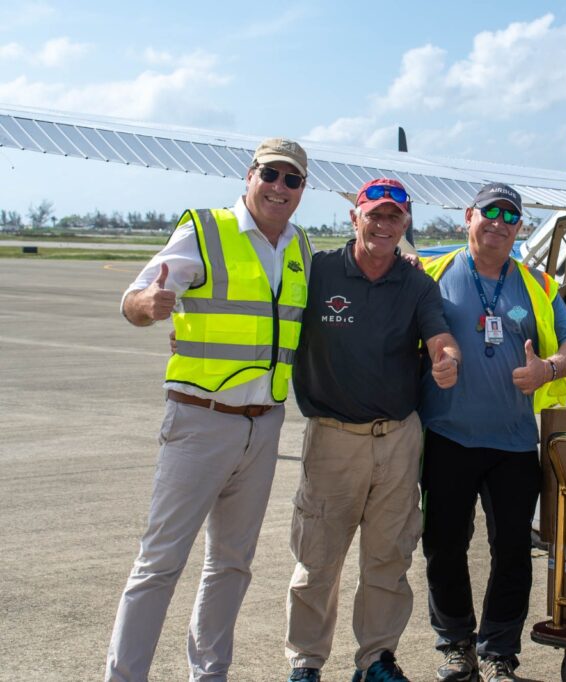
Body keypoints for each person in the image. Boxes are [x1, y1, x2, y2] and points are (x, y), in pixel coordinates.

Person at [107, 138, 312, 681]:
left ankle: (209, 674)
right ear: (250, 176)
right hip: (200, 420)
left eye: (293, 180)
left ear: (302, 191)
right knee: (159, 564)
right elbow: (134, 298)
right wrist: (146, 308)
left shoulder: (300, 248)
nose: (280, 188)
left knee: (231, 565)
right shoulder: (206, 230)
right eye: (271, 174)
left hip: (264, 427)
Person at [285, 177, 460, 682]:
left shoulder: (417, 283)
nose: (383, 225)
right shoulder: (319, 272)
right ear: (354, 217)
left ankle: (376, 659)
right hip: (332, 438)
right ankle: (306, 661)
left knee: (388, 558)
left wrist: (447, 359)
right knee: (317, 559)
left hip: (397, 440)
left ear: (406, 225)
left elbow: (439, 335)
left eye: (394, 218)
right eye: (375, 215)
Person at [419, 182, 566, 682]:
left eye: (509, 216)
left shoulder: (536, 283)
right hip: (447, 438)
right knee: (444, 544)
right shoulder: (431, 274)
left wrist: (549, 370)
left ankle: (497, 654)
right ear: (467, 217)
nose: (498, 222)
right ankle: (455, 646)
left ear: (520, 228)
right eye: (488, 212)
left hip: (514, 444)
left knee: (512, 549)